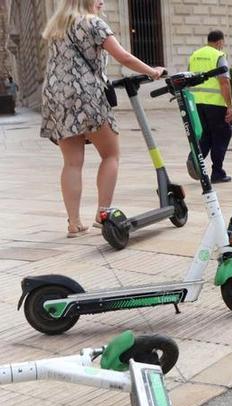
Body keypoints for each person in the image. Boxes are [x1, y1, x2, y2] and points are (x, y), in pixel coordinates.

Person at [40, 0, 163, 237]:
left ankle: (74, 223)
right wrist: (152, 71)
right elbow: (124, 57)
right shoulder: (93, 23)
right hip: (86, 94)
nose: (102, 2)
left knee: (72, 163)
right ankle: (102, 214)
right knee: (110, 155)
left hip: (56, 96)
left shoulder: (57, 27)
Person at [189, 30, 232, 183]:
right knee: (221, 136)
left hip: (196, 103)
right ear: (219, 42)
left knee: (205, 135)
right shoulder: (218, 56)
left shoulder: (194, 55)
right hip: (216, 103)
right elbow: (224, 82)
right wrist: (230, 106)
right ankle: (217, 172)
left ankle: (194, 157)